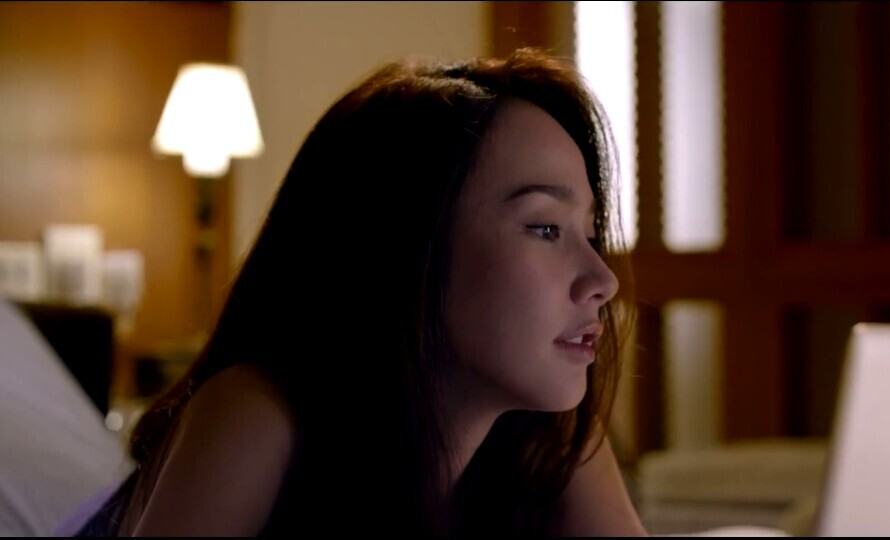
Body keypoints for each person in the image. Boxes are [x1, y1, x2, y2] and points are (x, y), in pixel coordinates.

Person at [73, 48, 646, 536]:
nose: (604, 280)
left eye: (591, 234)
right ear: (406, 248)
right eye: (545, 229)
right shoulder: (258, 415)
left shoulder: (550, 441)